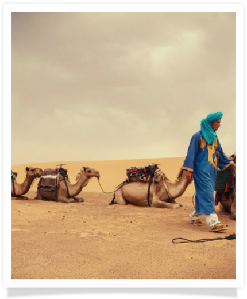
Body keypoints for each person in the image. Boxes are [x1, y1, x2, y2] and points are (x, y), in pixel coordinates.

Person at [182, 112, 236, 232]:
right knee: (207, 193)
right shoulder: (198, 136)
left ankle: (195, 215)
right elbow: (191, 153)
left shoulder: (214, 137)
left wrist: (230, 163)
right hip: (201, 170)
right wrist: (189, 170)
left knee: (204, 192)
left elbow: (220, 153)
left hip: (212, 171)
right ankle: (213, 222)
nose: (219, 125)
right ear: (211, 123)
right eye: (218, 122)